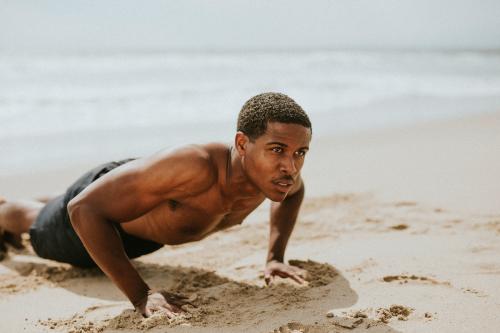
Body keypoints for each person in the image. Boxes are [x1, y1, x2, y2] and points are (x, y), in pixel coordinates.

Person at [0, 92, 312, 318]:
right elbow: (83, 210)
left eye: (300, 152)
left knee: (62, 203)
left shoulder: (272, 177)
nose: (291, 166)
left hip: (138, 214)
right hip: (99, 218)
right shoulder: (199, 167)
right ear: (243, 144)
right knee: (37, 225)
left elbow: (295, 192)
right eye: (278, 149)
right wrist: (142, 295)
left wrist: (275, 256)